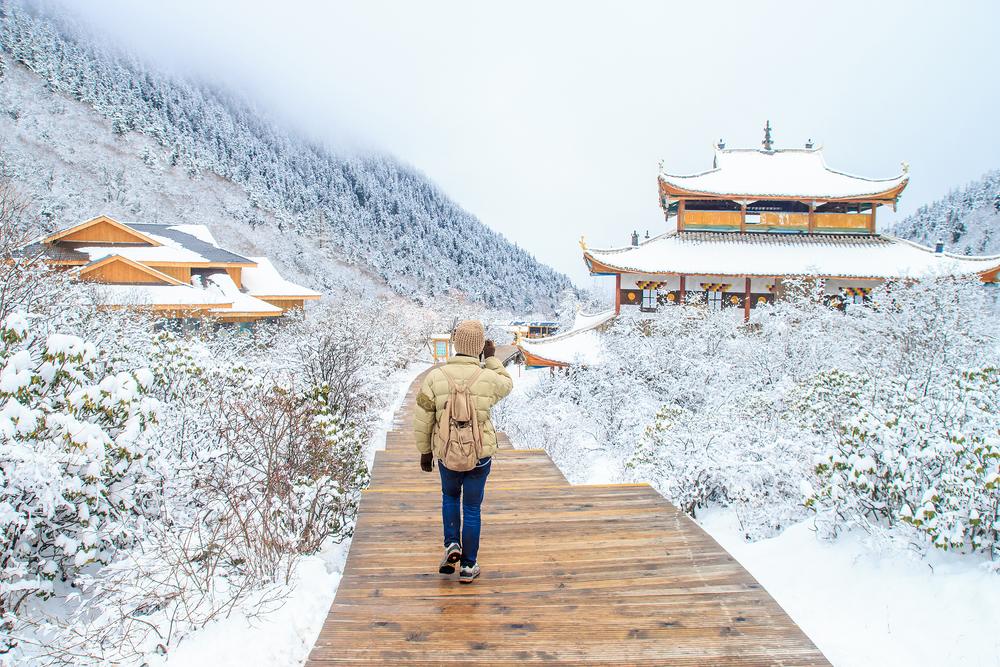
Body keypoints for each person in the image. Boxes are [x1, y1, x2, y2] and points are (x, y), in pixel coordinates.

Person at [413, 320, 513, 584]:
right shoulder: (487, 377)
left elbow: (422, 417)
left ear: (456, 345)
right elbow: (507, 384)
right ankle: (468, 566)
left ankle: (451, 544)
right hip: (479, 455)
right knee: (471, 508)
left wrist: (426, 452)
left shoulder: (435, 377)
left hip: (446, 453)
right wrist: (491, 359)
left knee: (449, 497)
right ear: (480, 347)